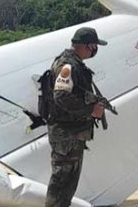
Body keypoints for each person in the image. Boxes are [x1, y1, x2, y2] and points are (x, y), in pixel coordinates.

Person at [45, 27, 108, 207]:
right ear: (87, 45)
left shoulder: (69, 62)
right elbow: (61, 96)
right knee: (61, 184)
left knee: (66, 186)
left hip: (69, 135)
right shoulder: (69, 65)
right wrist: (91, 110)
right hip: (67, 135)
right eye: (94, 46)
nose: (95, 50)